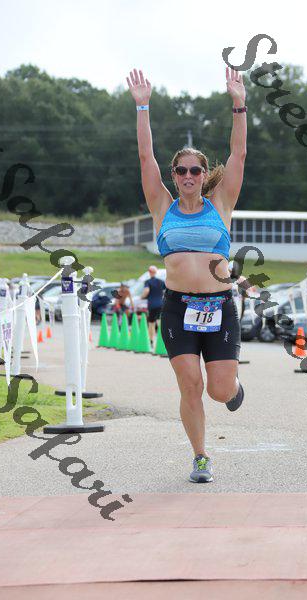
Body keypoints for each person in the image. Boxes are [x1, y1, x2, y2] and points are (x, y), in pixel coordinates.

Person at [127, 66, 247, 483]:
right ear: (174, 177)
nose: (190, 176)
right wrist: (143, 106)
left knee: (219, 390)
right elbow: (146, 158)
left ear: (204, 175)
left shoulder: (222, 203)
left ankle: (234, 387)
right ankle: (200, 456)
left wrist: (238, 104)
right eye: (182, 171)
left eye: (196, 170)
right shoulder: (162, 207)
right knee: (190, 384)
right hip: (178, 308)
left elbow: (238, 155)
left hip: (219, 307)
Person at [141, 266, 165, 347]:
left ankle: (151, 341)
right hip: (161, 304)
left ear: (149, 272)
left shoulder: (148, 282)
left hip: (152, 305)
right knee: (160, 321)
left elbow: (146, 291)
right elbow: (165, 291)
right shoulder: (161, 282)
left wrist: (142, 297)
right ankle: (162, 340)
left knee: (151, 323)